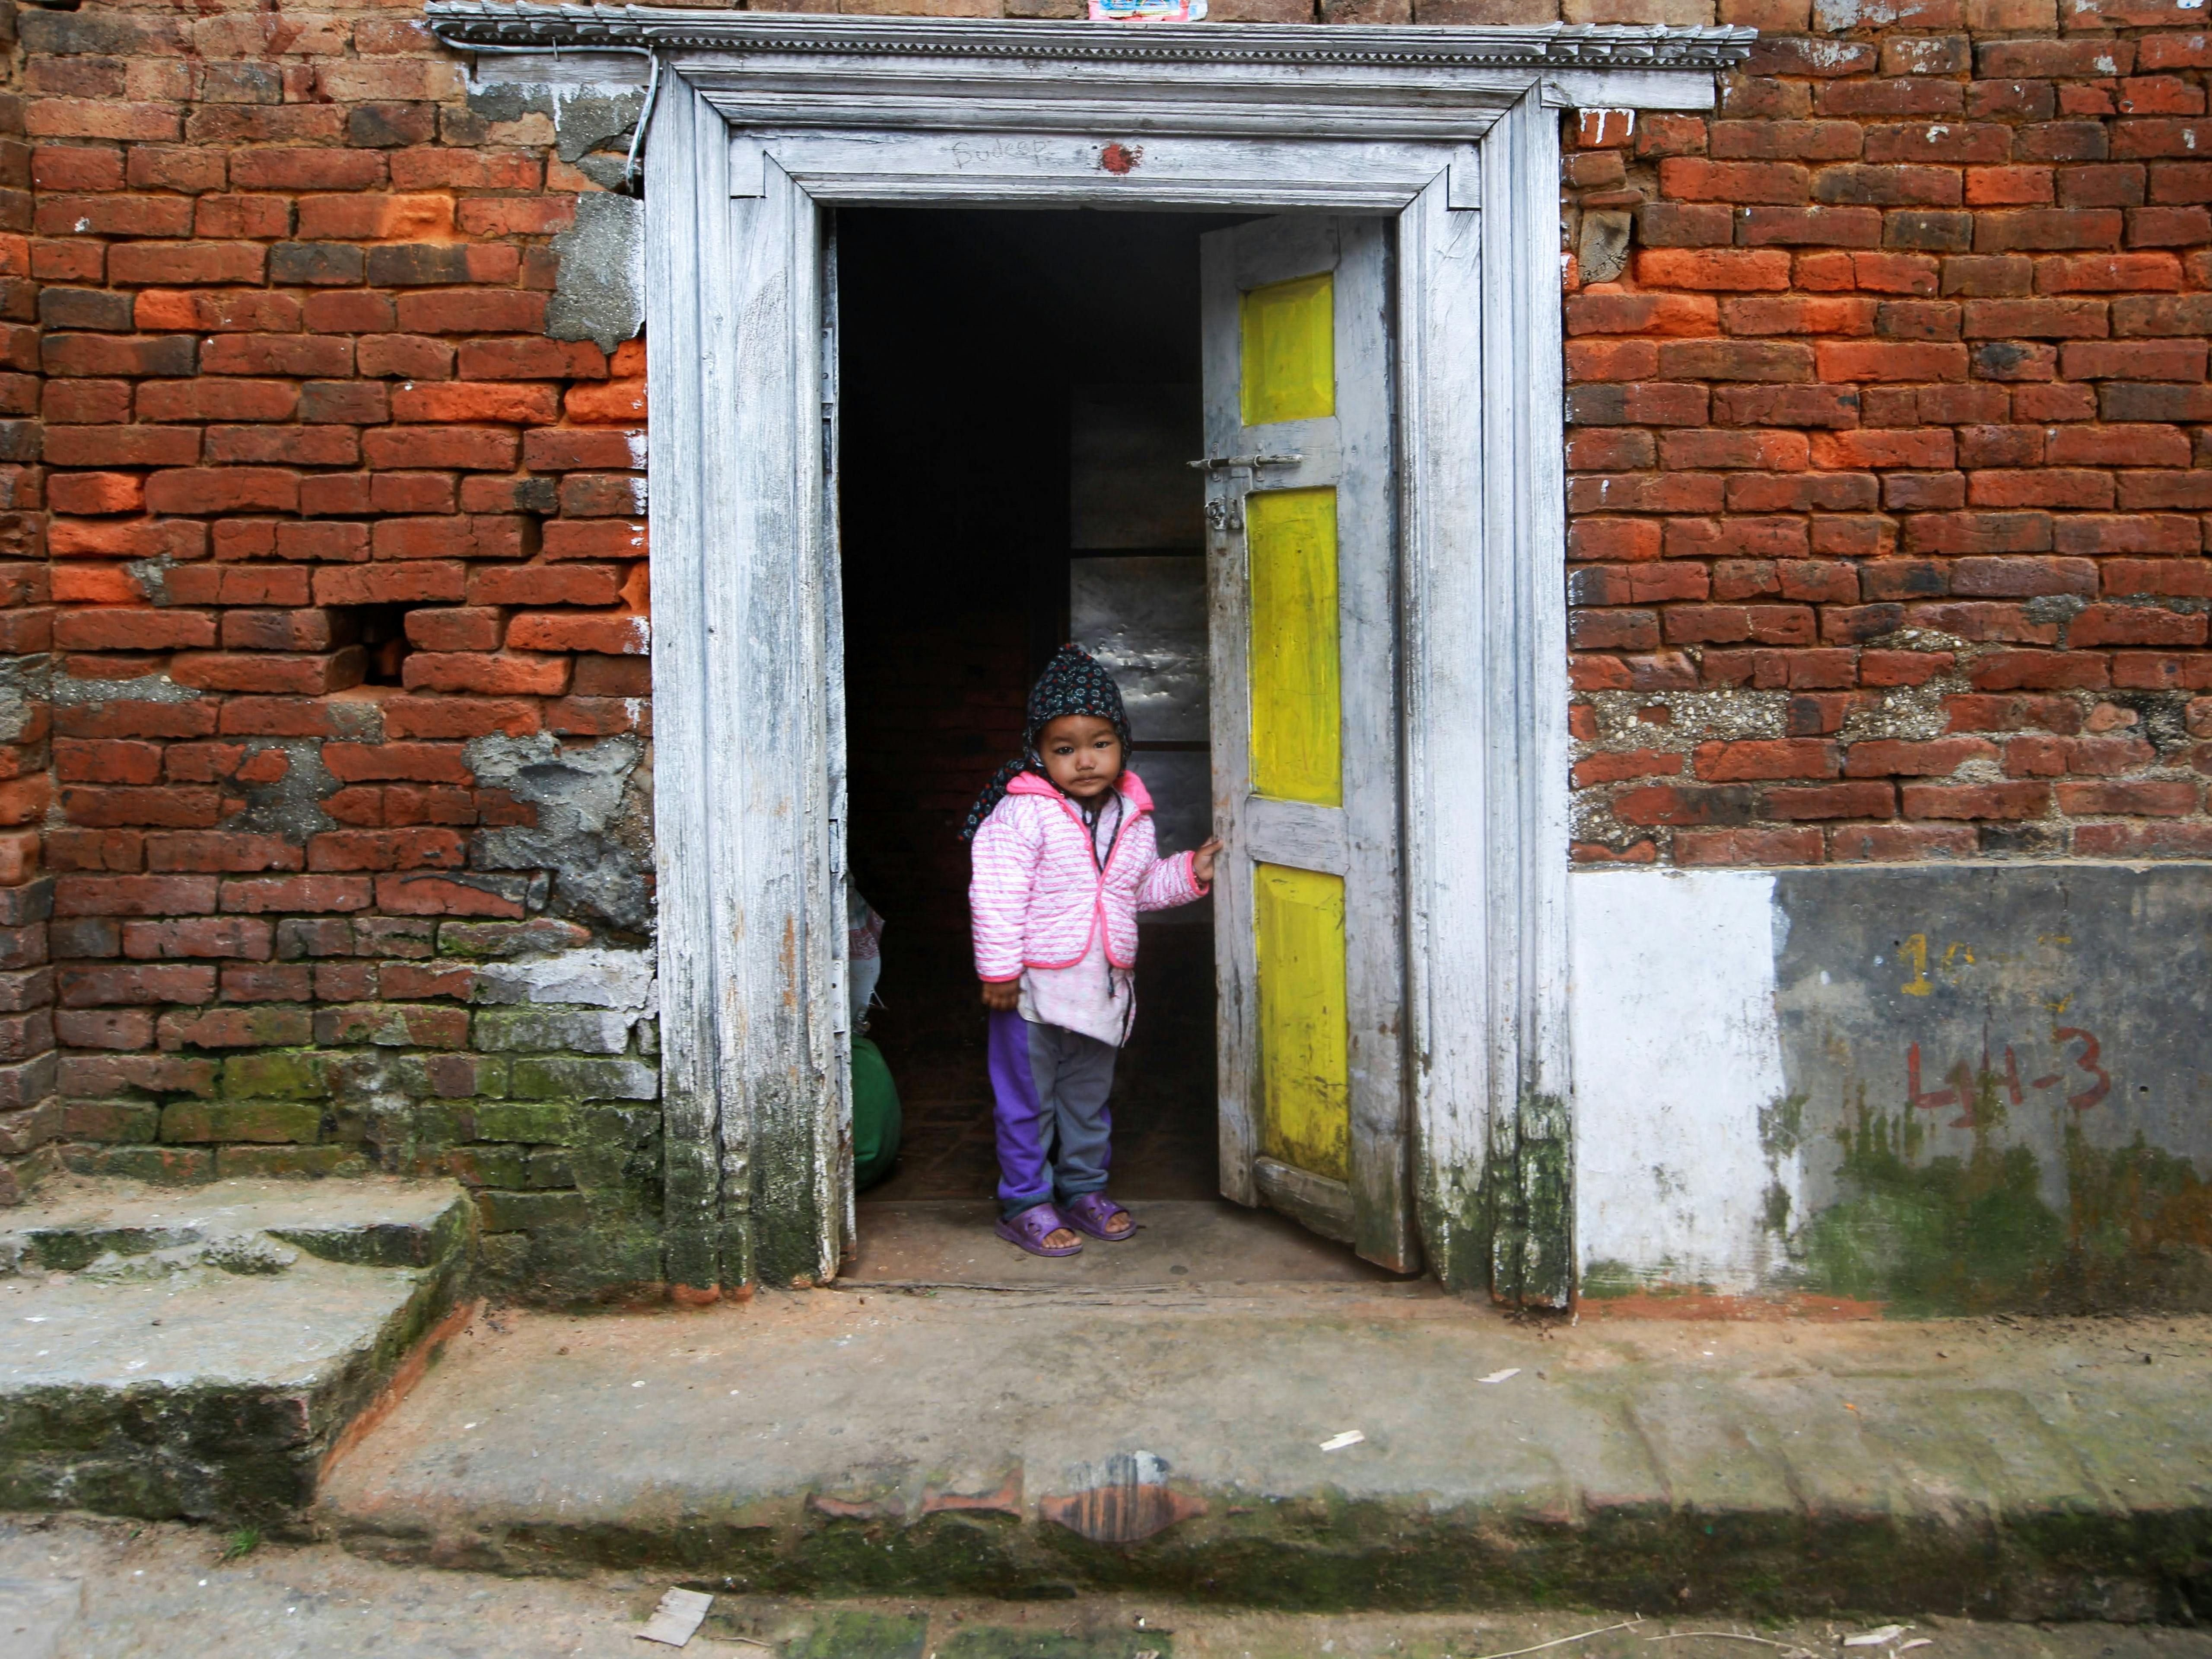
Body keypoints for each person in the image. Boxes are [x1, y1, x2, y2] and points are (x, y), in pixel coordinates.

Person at [962, 644, 1221, 1258]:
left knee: (1087, 1103)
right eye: (1064, 748)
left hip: (1101, 988)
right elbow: (995, 895)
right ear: (1038, 752)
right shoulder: (1021, 815)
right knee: (1027, 1106)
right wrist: (998, 971)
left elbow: (1135, 891)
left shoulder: (1132, 814)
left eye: (1100, 743)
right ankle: (1025, 1201)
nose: (1084, 760)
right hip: (1033, 991)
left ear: (1123, 743)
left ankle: (1082, 1190)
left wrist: (1192, 871)